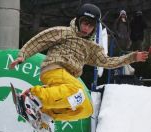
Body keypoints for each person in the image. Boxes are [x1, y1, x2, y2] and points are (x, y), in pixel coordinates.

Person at [10, 4, 148, 122]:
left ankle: (44, 114)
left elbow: (107, 62)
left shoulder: (92, 47)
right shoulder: (64, 32)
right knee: (78, 91)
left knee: (86, 107)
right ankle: (31, 96)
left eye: (90, 26)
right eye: (84, 23)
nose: (86, 28)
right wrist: (23, 55)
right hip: (55, 69)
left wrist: (132, 57)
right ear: (78, 21)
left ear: (95, 28)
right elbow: (40, 40)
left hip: (68, 79)